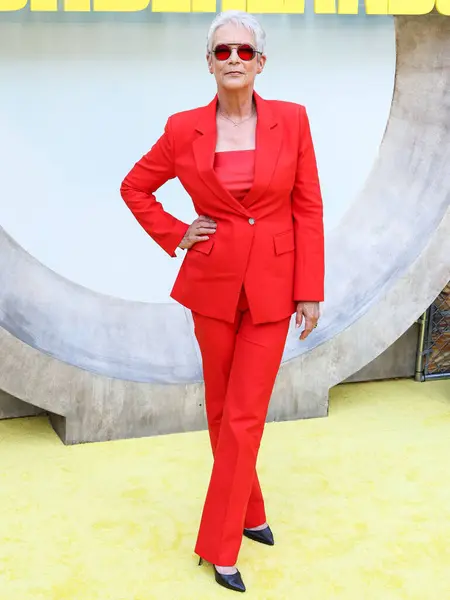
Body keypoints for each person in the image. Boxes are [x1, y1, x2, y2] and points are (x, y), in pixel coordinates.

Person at [120, 10, 325, 593]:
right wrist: (174, 231)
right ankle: (252, 511)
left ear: (261, 62)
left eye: (243, 51)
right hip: (210, 287)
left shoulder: (293, 120)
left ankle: (219, 543)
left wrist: (310, 288)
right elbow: (135, 186)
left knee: (243, 416)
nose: (232, 59)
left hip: (273, 290)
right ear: (208, 62)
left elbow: (307, 206)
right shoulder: (184, 128)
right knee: (220, 412)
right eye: (221, 51)